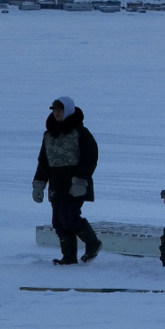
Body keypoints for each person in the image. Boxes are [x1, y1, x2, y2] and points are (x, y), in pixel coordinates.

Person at [31, 97, 102, 265]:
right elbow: (43, 162)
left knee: (68, 216)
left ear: (68, 111)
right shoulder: (49, 135)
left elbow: (90, 157)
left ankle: (93, 243)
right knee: (58, 221)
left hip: (75, 184)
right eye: (54, 110)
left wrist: (80, 181)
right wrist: (39, 185)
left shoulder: (80, 132)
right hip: (57, 183)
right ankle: (69, 257)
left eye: (60, 110)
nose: (56, 113)